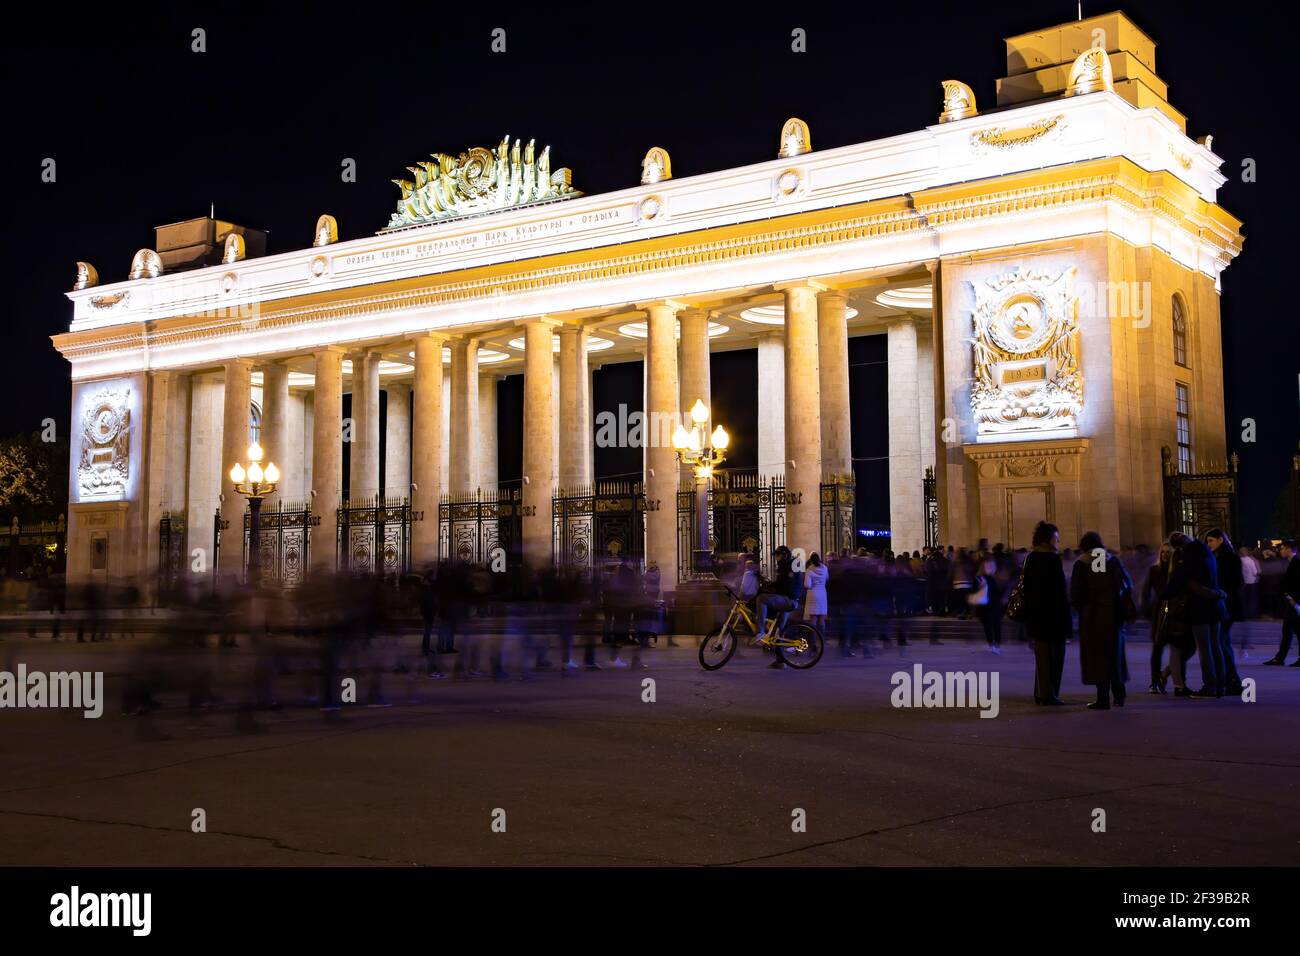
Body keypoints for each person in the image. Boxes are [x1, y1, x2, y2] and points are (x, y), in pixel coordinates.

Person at [1070, 531, 1133, 709]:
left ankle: (1103, 697)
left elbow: (1076, 593)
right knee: (1115, 655)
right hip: (1114, 615)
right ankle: (1119, 693)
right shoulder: (1112, 560)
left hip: (1092, 617)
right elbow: (1126, 583)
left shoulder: (1082, 563)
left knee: (1098, 657)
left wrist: (1081, 608)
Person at [1164, 534, 1228, 697]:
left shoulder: (1189, 555)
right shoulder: (1205, 550)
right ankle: (1220, 685)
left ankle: (1210, 686)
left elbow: (1180, 579)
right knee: (1216, 647)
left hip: (1201, 607)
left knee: (1204, 649)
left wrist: (1164, 592)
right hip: (1216, 607)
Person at [1020, 521, 1072, 705]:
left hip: (1036, 616)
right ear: (1049, 539)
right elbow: (1059, 591)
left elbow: (1026, 587)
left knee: (1042, 657)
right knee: (1056, 658)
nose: (1058, 541)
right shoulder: (1053, 559)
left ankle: (1041, 693)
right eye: (1056, 538)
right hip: (1054, 616)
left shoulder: (1030, 558)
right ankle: (1050, 694)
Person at [1205, 529, 1244, 694]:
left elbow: (1233, 582)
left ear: (1221, 540)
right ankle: (1231, 680)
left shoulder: (1227, 558)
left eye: (1211, 541)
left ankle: (1231, 680)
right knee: (1222, 643)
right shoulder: (1222, 557)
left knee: (1221, 643)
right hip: (1225, 604)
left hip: (1226, 604)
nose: (1209, 544)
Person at [756, 546, 801, 669]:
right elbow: (782, 583)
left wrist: (772, 586)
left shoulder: (791, 565)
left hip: (789, 600)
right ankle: (780, 661)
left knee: (761, 599)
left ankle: (760, 632)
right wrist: (770, 584)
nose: (776, 558)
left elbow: (787, 584)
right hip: (786, 598)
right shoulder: (785, 566)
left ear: (785, 555)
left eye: (778, 555)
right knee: (778, 632)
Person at [1263, 539, 1300, 665]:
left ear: (1289, 549)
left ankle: (1280, 658)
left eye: (1282, 548)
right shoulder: (1291, 562)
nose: (1280, 551)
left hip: (1294, 601)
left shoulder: (1297, 562)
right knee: (1288, 630)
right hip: (1291, 601)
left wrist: (1295, 599)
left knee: (1293, 630)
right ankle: (1280, 658)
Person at [804, 552, 829, 636]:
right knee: (822, 618)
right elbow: (827, 579)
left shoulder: (809, 570)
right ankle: (823, 639)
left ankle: (813, 641)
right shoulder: (825, 568)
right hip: (822, 593)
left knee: (813, 619)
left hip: (813, 594)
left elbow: (807, 584)